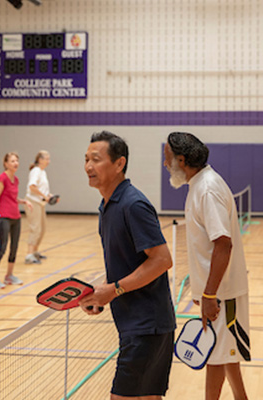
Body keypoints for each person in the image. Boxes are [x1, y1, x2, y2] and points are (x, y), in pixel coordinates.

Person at [80, 131, 176, 400]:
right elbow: (128, 263)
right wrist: (104, 295)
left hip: (147, 325)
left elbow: (162, 260)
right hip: (139, 323)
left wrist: (114, 290)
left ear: (119, 163)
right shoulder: (108, 205)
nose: (88, 166)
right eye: (86, 159)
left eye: (96, 160)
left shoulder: (133, 205)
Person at [164, 132, 250, 400]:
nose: (164, 164)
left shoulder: (208, 189)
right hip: (216, 291)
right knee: (226, 353)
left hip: (223, 293)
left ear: (181, 159)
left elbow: (223, 244)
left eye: (167, 158)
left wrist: (210, 294)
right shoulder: (199, 184)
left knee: (215, 356)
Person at [0, 152, 32, 288]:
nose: (16, 163)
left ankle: (9, 275)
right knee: (3, 247)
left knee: (14, 247)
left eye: (17, 161)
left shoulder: (16, 179)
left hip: (16, 217)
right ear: (6, 164)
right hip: (4, 217)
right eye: (13, 161)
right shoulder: (2, 178)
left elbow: (13, 198)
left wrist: (24, 201)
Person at [25, 151, 58, 264]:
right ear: (40, 159)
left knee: (42, 229)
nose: (48, 161)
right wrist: (44, 196)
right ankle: (29, 255)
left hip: (40, 203)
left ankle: (35, 252)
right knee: (35, 228)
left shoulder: (43, 172)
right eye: (46, 159)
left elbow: (41, 189)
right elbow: (32, 186)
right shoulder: (36, 171)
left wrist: (49, 196)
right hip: (33, 203)